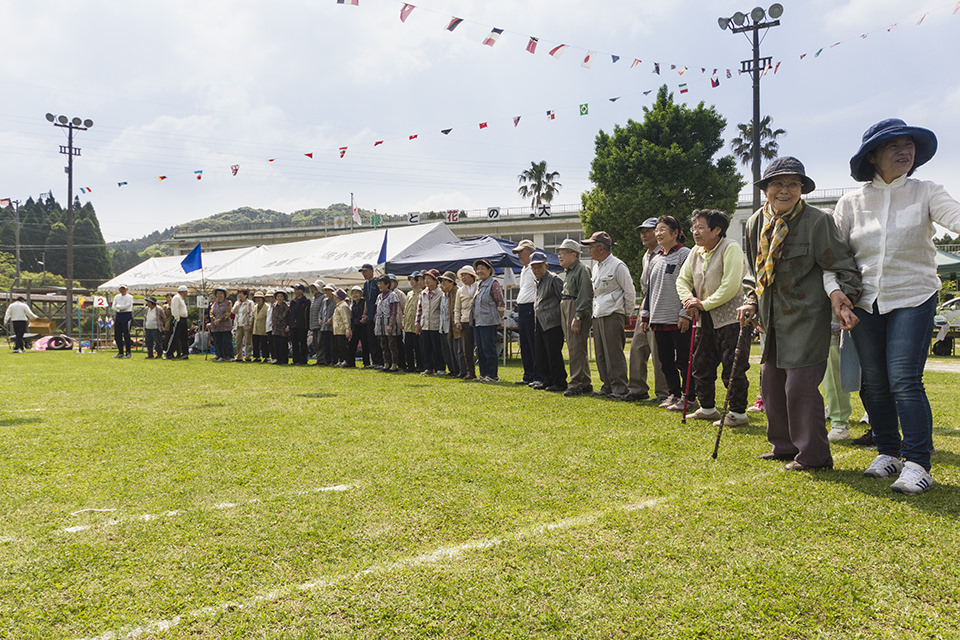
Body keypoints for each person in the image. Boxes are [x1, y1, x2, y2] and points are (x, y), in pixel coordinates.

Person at [833, 119, 960, 493]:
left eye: (909, 145)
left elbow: (955, 218)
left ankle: (918, 462)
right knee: (874, 383)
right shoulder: (850, 203)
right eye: (893, 146)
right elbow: (834, 257)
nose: (905, 151)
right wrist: (834, 293)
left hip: (914, 296)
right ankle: (888, 452)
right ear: (872, 156)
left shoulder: (927, 191)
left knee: (904, 378)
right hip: (865, 301)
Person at [739, 156, 862, 471]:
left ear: (801, 189)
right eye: (778, 183)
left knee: (800, 387)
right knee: (771, 383)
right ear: (766, 188)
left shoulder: (817, 221)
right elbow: (755, 272)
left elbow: (842, 265)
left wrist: (844, 300)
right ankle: (783, 446)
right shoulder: (755, 223)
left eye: (793, 183)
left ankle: (814, 456)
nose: (785, 190)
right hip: (770, 320)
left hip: (807, 318)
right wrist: (751, 300)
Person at [677, 209, 750, 427]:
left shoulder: (731, 248)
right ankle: (707, 408)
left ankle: (737, 413)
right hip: (703, 318)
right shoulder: (695, 252)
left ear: (717, 229)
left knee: (733, 366)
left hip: (732, 318)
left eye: (701, 227)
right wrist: (690, 301)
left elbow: (731, 285)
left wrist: (703, 304)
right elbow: (682, 280)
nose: (695, 232)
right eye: (694, 227)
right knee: (701, 364)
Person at [640, 217, 694, 412]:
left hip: (677, 318)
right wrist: (645, 316)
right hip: (658, 318)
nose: (658, 233)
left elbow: (692, 286)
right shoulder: (656, 259)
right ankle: (674, 394)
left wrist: (685, 313)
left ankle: (690, 397)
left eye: (663, 229)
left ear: (675, 233)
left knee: (684, 360)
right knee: (665, 361)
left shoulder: (685, 255)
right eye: (657, 230)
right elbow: (649, 291)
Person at [584, 231, 636, 401]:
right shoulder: (597, 267)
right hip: (598, 313)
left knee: (613, 353)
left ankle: (620, 387)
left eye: (591, 247)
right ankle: (607, 385)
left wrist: (627, 313)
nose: (589, 250)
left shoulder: (617, 265)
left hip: (613, 313)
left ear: (600, 248)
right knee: (600, 354)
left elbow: (629, 291)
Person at [625, 218, 669, 403]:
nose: (644, 234)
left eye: (648, 230)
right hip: (646, 303)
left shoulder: (665, 253)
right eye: (641, 231)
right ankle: (637, 388)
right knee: (637, 347)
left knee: (658, 349)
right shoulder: (646, 255)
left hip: (659, 304)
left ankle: (663, 392)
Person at [557, 239, 594, 397]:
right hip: (566, 306)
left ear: (574, 254)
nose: (559, 256)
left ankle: (576, 383)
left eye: (563, 252)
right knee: (575, 346)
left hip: (575, 307)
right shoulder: (570, 271)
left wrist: (578, 316)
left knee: (575, 348)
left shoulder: (581, 269)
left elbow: (585, 295)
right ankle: (585, 382)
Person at [529, 251, 567, 392]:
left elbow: (562, 300)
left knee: (553, 354)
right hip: (539, 322)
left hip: (553, 323)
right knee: (541, 354)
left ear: (546, 266)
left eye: (539, 267)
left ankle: (560, 382)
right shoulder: (536, 282)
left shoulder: (554, 279)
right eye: (534, 267)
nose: (536, 270)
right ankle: (547, 379)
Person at [471, 259, 505, 383]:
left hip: (489, 322)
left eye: (482, 268)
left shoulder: (493, 283)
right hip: (478, 322)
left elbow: (500, 303)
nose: (479, 271)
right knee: (480, 349)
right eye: (478, 269)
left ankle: (492, 375)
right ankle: (483, 374)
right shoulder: (479, 284)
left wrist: (498, 319)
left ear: (489, 270)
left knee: (488, 348)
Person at [512, 239, 541, 385]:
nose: (518, 255)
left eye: (520, 252)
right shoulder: (524, 269)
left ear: (530, 252)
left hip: (531, 307)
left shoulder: (535, 268)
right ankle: (528, 374)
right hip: (522, 308)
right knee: (524, 343)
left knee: (532, 342)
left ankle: (537, 375)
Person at [416, 269, 444, 375]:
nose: (426, 281)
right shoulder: (422, 293)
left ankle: (440, 368)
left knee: (437, 348)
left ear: (436, 280)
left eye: (429, 279)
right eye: (425, 279)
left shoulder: (441, 293)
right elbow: (419, 310)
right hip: (425, 324)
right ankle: (428, 367)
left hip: (436, 324)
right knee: (426, 348)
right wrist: (417, 324)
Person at [454, 266, 478, 380]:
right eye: (461, 275)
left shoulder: (479, 286)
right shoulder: (460, 290)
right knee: (466, 349)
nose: (463, 277)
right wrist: (457, 321)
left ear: (472, 275)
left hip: (479, 320)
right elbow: (457, 308)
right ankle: (470, 372)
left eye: (465, 275)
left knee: (481, 347)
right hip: (465, 321)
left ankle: (484, 372)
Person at [374, 274, 402, 372]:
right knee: (383, 344)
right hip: (380, 323)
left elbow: (394, 312)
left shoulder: (392, 295)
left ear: (387, 284)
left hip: (389, 322)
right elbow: (377, 311)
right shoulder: (379, 297)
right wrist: (375, 324)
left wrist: (391, 325)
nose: (380, 286)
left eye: (382, 283)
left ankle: (394, 364)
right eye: (379, 283)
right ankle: (386, 363)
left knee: (392, 344)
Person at [438, 271, 462, 377]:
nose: (441, 285)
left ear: (451, 282)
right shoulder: (446, 294)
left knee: (457, 350)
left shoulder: (457, 292)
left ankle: (460, 370)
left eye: (444, 282)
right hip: (446, 326)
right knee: (449, 350)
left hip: (455, 326)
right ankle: (453, 370)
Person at [359, 263, 383, 368]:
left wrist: (376, 314)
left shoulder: (377, 282)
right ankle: (374, 361)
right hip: (369, 316)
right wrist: (364, 314)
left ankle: (380, 361)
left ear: (372, 271)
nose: (364, 274)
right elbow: (365, 300)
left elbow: (380, 299)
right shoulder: (365, 284)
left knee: (378, 339)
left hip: (377, 315)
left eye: (365, 271)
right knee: (371, 339)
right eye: (363, 272)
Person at [402, 272, 424, 372]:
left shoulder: (421, 292)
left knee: (418, 346)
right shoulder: (409, 294)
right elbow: (406, 308)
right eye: (409, 279)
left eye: (413, 279)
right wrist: (403, 321)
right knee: (408, 346)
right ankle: (410, 365)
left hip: (416, 324)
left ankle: (420, 365)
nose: (411, 282)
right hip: (408, 324)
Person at [388, 274, 408, 371]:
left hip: (398, 322)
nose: (390, 283)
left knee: (399, 344)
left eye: (392, 281)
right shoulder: (385, 294)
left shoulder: (400, 294)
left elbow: (405, 308)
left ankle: (402, 364)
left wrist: (403, 321)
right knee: (390, 345)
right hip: (388, 324)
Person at [287, 283, 311, 365]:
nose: (296, 292)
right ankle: (295, 360)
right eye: (295, 290)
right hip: (293, 325)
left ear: (302, 291)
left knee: (303, 343)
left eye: (297, 290)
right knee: (294, 343)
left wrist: (307, 325)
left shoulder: (307, 302)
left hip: (302, 326)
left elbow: (307, 314)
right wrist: (289, 324)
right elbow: (290, 314)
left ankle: (303, 360)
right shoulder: (293, 302)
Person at [209, 287, 234, 362]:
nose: (219, 295)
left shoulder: (228, 303)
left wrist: (220, 320)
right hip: (216, 326)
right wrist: (214, 320)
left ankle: (230, 356)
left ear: (224, 295)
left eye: (221, 294)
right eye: (218, 294)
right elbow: (211, 313)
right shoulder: (214, 304)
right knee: (218, 341)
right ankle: (220, 355)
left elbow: (228, 313)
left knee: (227, 341)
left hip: (225, 325)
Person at [165, 285, 190, 360]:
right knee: (174, 337)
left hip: (183, 319)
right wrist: (177, 318)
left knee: (184, 337)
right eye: (185, 292)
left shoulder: (181, 299)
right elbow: (175, 309)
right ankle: (169, 353)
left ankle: (185, 353)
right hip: (178, 319)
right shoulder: (176, 298)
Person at [112, 284, 134, 358]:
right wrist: (118, 308)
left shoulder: (130, 297)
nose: (122, 290)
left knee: (126, 334)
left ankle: (128, 352)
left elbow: (127, 306)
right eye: (121, 289)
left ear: (126, 289)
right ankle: (120, 352)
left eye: (123, 289)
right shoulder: (117, 297)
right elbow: (113, 306)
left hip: (127, 315)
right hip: (119, 315)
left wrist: (118, 307)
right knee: (117, 334)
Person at [332, 288, 352, 367]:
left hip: (342, 330)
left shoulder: (343, 306)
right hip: (337, 330)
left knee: (343, 346)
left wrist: (348, 329)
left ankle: (346, 360)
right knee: (338, 346)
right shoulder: (338, 306)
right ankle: (341, 360)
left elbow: (346, 318)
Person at [232, 289, 254, 362]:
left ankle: (248, 356)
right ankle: (239, 356)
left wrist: (250, 324)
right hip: (238, 324)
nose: (239, 295)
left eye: (241, 294)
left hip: (247, 324)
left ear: (245, 295)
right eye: (238, 294)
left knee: (248, 341)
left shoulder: (250, 303)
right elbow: (233, 311)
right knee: (238, 341)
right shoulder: (237, 303)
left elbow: (251, 314)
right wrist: (238, 304)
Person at [317, 284, 336, 366]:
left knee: (332, 344)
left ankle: (333, 360)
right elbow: (320, 311)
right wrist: (319, 318)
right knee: (325, 344)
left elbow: (336, 312)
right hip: (324, 326)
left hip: (332, 327)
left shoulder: (335, 300)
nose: (327, 292)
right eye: (326, 290)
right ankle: (326, 360)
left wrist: (331, 319)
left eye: (329, 290)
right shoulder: (324, 301)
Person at [308, 280, 326, 363]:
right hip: (313, 324)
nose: (315, 289)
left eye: (316, 287)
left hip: (320, 324)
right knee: (315, 343)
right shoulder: (314, 298)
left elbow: (322, 310)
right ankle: (319, 359)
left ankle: (322, 359)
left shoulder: (323, 297)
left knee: (320, 342)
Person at [347, 285, 365, 368]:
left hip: (363, 326)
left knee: (365, 345)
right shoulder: (353, 305)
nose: (355, 295)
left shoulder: (363, 303)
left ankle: (366, 363)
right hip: (355, 326)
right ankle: (351, 363)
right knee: (352, 345)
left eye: (357, 293)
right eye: (353, 293)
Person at [271, 289, 290, 365]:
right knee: (276, 344)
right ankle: (277, 359)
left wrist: (288, 326)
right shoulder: (274, 306)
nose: (280, 298)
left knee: (283, 344)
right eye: (278, 296)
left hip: (283, 328)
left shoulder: (287, 306)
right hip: (275, 328)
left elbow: (289, 317)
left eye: (281, 296)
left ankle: (284, 359)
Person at [251, 291, 270, 362]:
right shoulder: (255, 307)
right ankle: (257, 357)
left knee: (264, 344)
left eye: (259, 298)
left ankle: (266, 357)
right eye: (256, 298)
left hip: (263, 328)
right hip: (255, 328)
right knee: (255, 343)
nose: (258, 299)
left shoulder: (267, 307)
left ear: (263, 298)